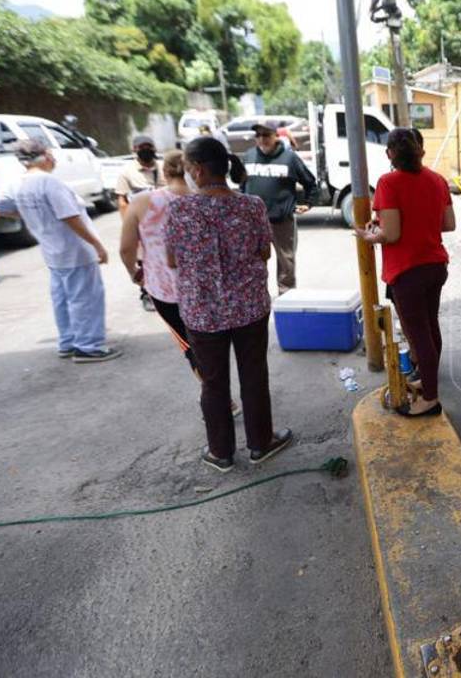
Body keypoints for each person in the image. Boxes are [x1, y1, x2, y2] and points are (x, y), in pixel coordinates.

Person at [166, 137, 293, 472]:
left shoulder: (179, 209)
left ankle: (220, 452)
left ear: (197, 169)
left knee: (213, 381)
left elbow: (172, 260)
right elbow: (265, 252)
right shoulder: (251, 205)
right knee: (254, 376)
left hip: (202, 312)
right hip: (249, 307)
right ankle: (261, 443)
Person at [120, 150, 240, 416]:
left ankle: (219, 399)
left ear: (165, 172)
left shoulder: (141, 202)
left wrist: (135, 274)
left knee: (191, 347)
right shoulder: (209, 199)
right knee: (214, 342)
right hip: (209, 287)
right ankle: (221, 394)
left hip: (166, 292)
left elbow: (127, 248)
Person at [0, 139, 121, 363]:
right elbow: (69, 217)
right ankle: (88, 347)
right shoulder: (49, 183)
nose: (55, 158)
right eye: (52, 154)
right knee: (85, 299)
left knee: (63, 298)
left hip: (52, 252)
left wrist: (27, 214)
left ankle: (68, 342)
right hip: (74, 250)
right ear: (46, 156)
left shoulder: (17, 184)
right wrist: (96, 244)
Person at [355, 128, 456, 418]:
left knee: (418, 336)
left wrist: (368, 235)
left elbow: (392, 233)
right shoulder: (437, 179)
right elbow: (448, 224)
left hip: (408, 270)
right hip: (436, 266)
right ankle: (428, 381)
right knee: (430, 327)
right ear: (419, 151)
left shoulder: (388, 182)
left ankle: (431, 399)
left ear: (389, 154)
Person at [241, 120, 317, 295]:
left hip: (281, 221)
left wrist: (308, 202)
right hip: (253, 222)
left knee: (286, 263)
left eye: (266, 135)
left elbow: (310, 182)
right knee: (253, 262)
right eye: (258, 135)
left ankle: (287, 298)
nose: (261, 139)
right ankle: (257, 298)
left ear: (276, 136)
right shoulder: (249, 156)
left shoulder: (289, 158)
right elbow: (243, 186)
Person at [116, 135, 164, 312]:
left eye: (149, 146)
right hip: (141, 223)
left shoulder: (163, 167)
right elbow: (122, 202)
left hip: (164, 222)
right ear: (134, 150)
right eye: (142, 146)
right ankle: (146, 293)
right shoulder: (127, 172)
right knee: (144, 259)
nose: (146, 149)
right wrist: (129, 227)